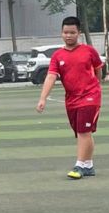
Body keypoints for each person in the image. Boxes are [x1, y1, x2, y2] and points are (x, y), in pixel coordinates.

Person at [36, 15, 104, 180]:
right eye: (66, 32)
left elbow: (98, 69)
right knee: (83, 132)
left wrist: (96, 88)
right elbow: (51, 76)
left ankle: (79, 165)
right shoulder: (58, 55)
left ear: (78, 33)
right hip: (71, 99)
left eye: (72, 32)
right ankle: (88, 165)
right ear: (61, 33)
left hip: (90, 97)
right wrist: (43, 98)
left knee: (83, 131)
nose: (69, 36)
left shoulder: (89, 51)